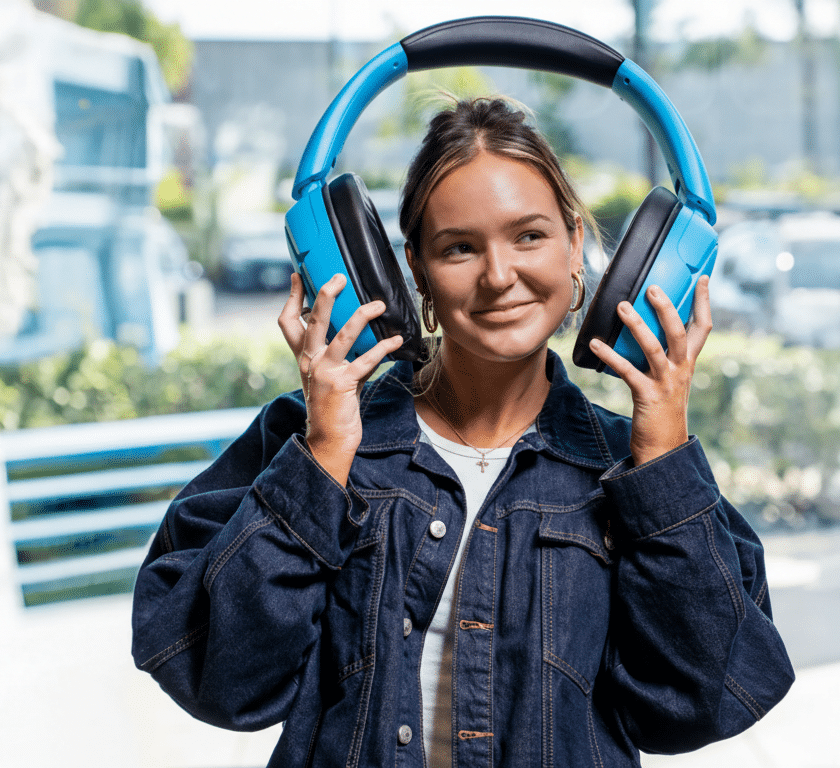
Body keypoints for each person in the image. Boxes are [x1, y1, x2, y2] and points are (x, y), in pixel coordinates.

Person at [131, 97, 793, 767]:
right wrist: (324, 460)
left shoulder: (639, 468)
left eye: (529, 236)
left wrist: (662, 465)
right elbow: (221, 683)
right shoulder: (310, 442)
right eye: (459, 248)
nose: (500, 276)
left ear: (575, 248)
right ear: (411, 270)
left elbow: (707, 700)